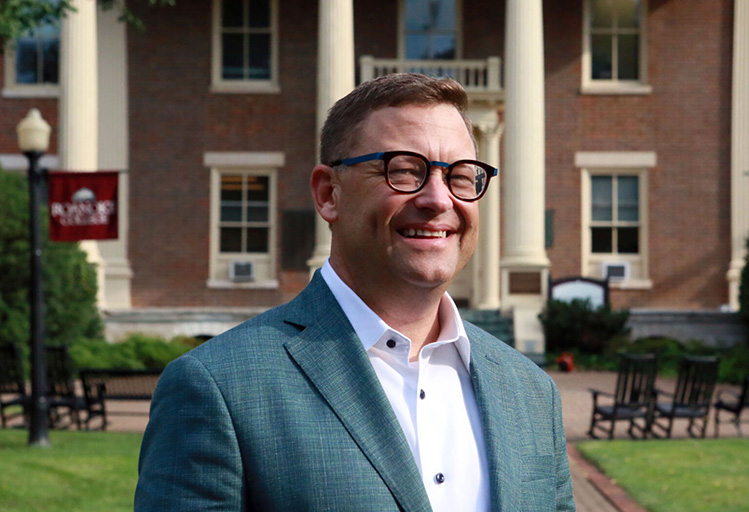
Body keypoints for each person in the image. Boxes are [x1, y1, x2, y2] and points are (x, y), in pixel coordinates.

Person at [134, 73, 575, 512]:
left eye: (461, 176)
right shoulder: (219, 388)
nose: (439, 199)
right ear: (329, 194)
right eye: (405, 170)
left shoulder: (530, 391)